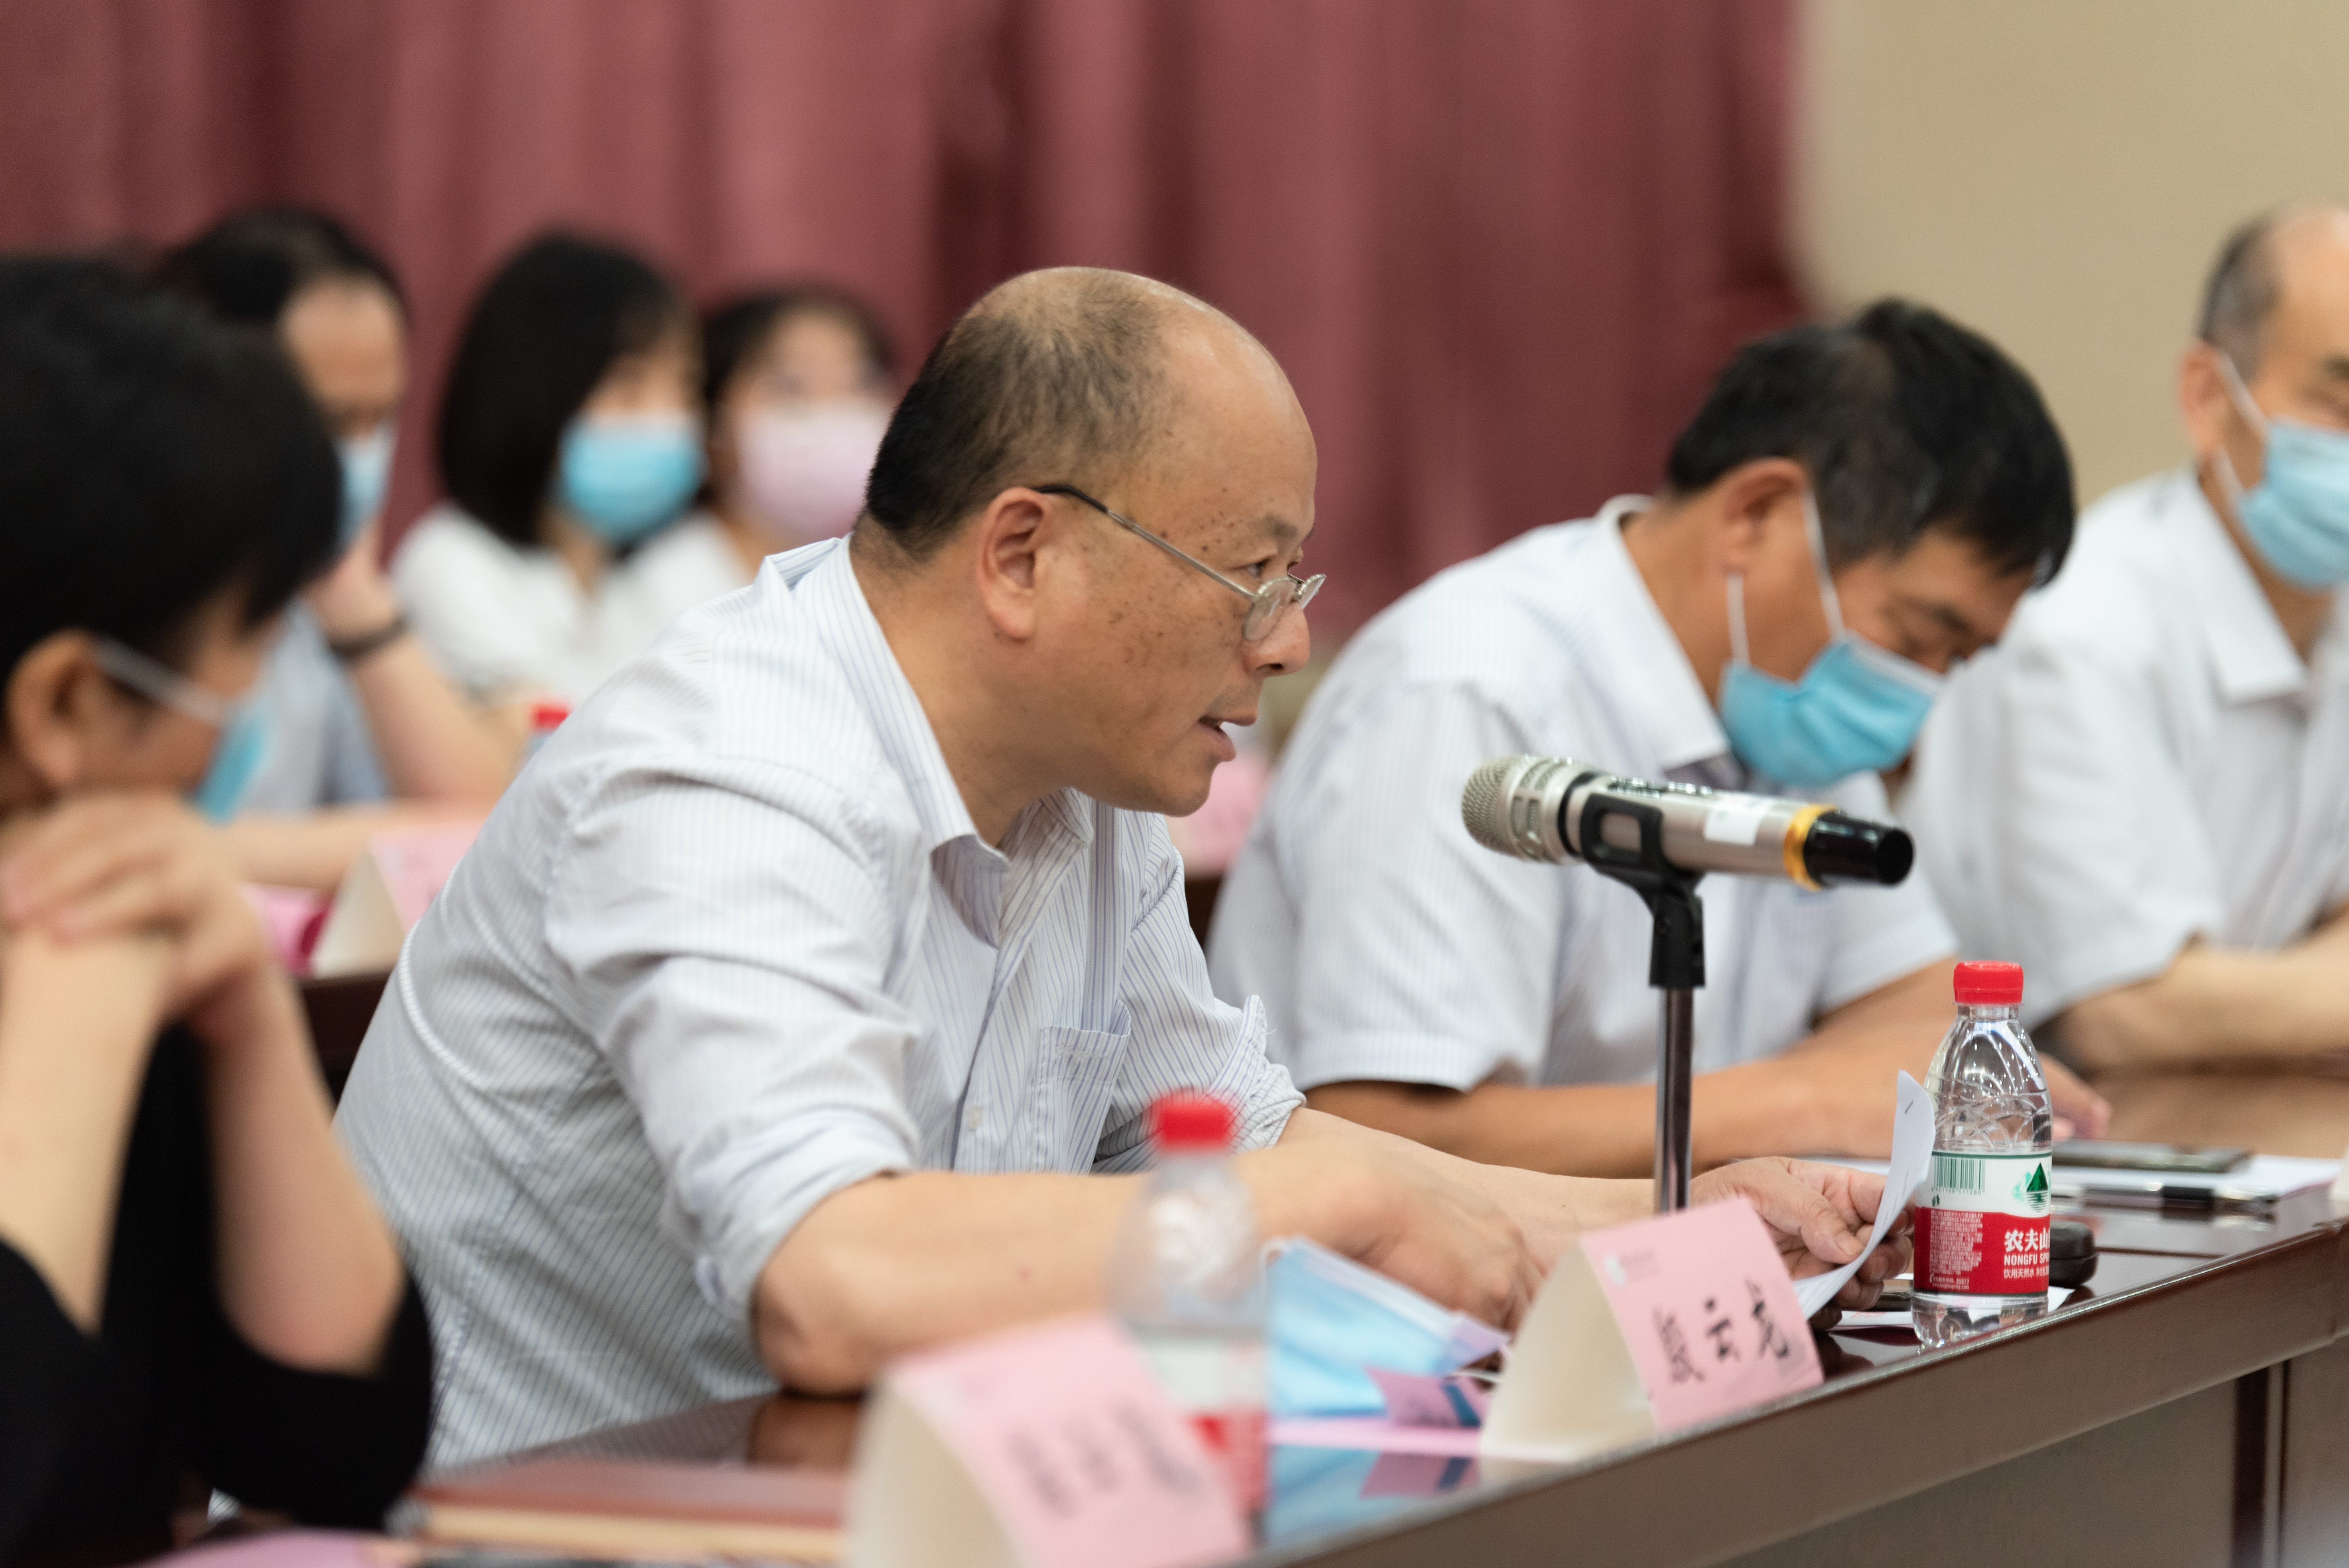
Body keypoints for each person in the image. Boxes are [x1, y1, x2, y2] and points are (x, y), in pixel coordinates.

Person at [336, 266, 1907, 1465]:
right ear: (1023, 553)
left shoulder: (1083, 787)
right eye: (1250, 573)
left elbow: (1236, 1140)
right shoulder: (732, 773)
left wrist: (1667, 1219)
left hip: (874, 1496)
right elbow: (832, 1278)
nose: (1284, 644)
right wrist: (1334, 1196)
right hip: (526, 1528)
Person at [1209, 300, 2110, 1178]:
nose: (1919, 693)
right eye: (1914, 638)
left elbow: (1912, 1012)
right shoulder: (1472, 693)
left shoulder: (1790, 710)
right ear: (1756, 513)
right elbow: (1382, 1131)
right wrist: (1800, 1102)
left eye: (1956, 660)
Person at [0, 258, 431, 1559]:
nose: (249, 705)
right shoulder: (82, 957)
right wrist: (68, 1007)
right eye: (250, 639)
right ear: (67, 705)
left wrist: (247, 1018)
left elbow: (335, 1444)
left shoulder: (152, 944)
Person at [1906, 204, 2349, 1080]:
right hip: (2017, 1134)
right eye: (2340, 402)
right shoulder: (2081, 630)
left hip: (2229, 1114)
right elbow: (2120, 1010)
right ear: (2208, 397)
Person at [159, 207, 515, 890]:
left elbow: (486, 834)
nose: (358, 455)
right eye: (329, 420)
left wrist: (354, 600)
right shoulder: (114, 581)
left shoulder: (319, 605)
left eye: (380, 419)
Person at [393, 233, 741, 716]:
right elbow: (540, 752)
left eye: (685, 386)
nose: (670, 419)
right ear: (534, 392)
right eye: (629, 386)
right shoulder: (455, 563)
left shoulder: (649, 580)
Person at [697, 285, 897, 582]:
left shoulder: (878, 576)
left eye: (861, 384)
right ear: (712, 420)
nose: (830, 414)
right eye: (789, 386)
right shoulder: (664, 591)